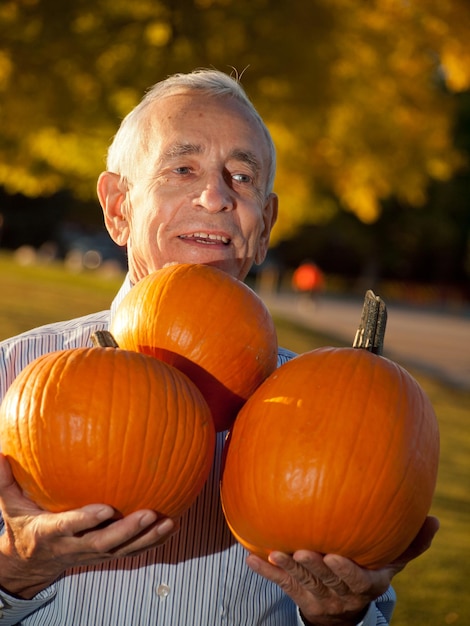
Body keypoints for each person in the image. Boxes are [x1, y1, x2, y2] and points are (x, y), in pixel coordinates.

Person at [0, 69, 438, 626]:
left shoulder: (336, 413)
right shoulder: (9, 375)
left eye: (242, 176)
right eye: (182, 169)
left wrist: (339, 617)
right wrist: (14, 572)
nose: (215, 196)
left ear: (266, 224)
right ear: (117, 208)